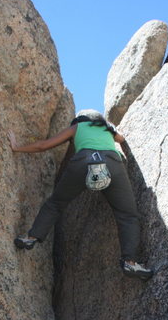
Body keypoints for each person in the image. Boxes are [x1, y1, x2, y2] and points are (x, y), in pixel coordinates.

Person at [8, 109, 153, 280]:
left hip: (83, 162)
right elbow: (122, 138)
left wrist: (17, 147)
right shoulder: (106, 128)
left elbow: (43, 145)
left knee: (56, 203)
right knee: (127, 215)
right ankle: (130, 262)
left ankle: (31, 237)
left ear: (79, 119)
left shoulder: (77, 127)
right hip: (113, 164)